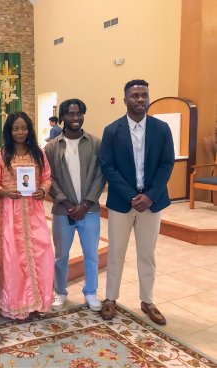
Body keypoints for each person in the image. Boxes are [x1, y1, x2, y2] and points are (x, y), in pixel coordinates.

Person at [99, 80, 174, 324]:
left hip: (152, 202)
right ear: (125, 100)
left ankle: (147, 301)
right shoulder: (112, 130)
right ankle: (110, 299)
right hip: (122, 202)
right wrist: (131, 195)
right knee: (116, 253)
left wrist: (150, 195)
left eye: (144, 95)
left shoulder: (162, 129)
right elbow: (108, 166)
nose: (140, 99)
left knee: (147, 254)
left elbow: (166, 164)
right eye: (135, 96)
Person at [45, 99, 106, 312]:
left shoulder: (95, 143)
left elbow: (101, 175)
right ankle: (60, 292)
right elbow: (48, 178)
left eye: (79, 113)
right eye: (71, 114)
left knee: (91, 253)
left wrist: (86, 203)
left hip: (89, 209)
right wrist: (68, 203)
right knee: (61, 254)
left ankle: (91, 292)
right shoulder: (52, 147)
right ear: (63, 116)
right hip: (63, 210)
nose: (75, 118)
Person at [0, 111, 53, 319]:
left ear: (30, 129)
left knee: (40, 253)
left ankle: (38, 302)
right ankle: (16, 304)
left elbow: (46, 177)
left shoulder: (38, 153)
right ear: (9, 131)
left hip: (34, 212)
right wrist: (4, 192)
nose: (20, 132)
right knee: (14, 258)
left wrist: (43, 190)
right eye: (16, 128)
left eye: (24, 127)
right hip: (10, 213)